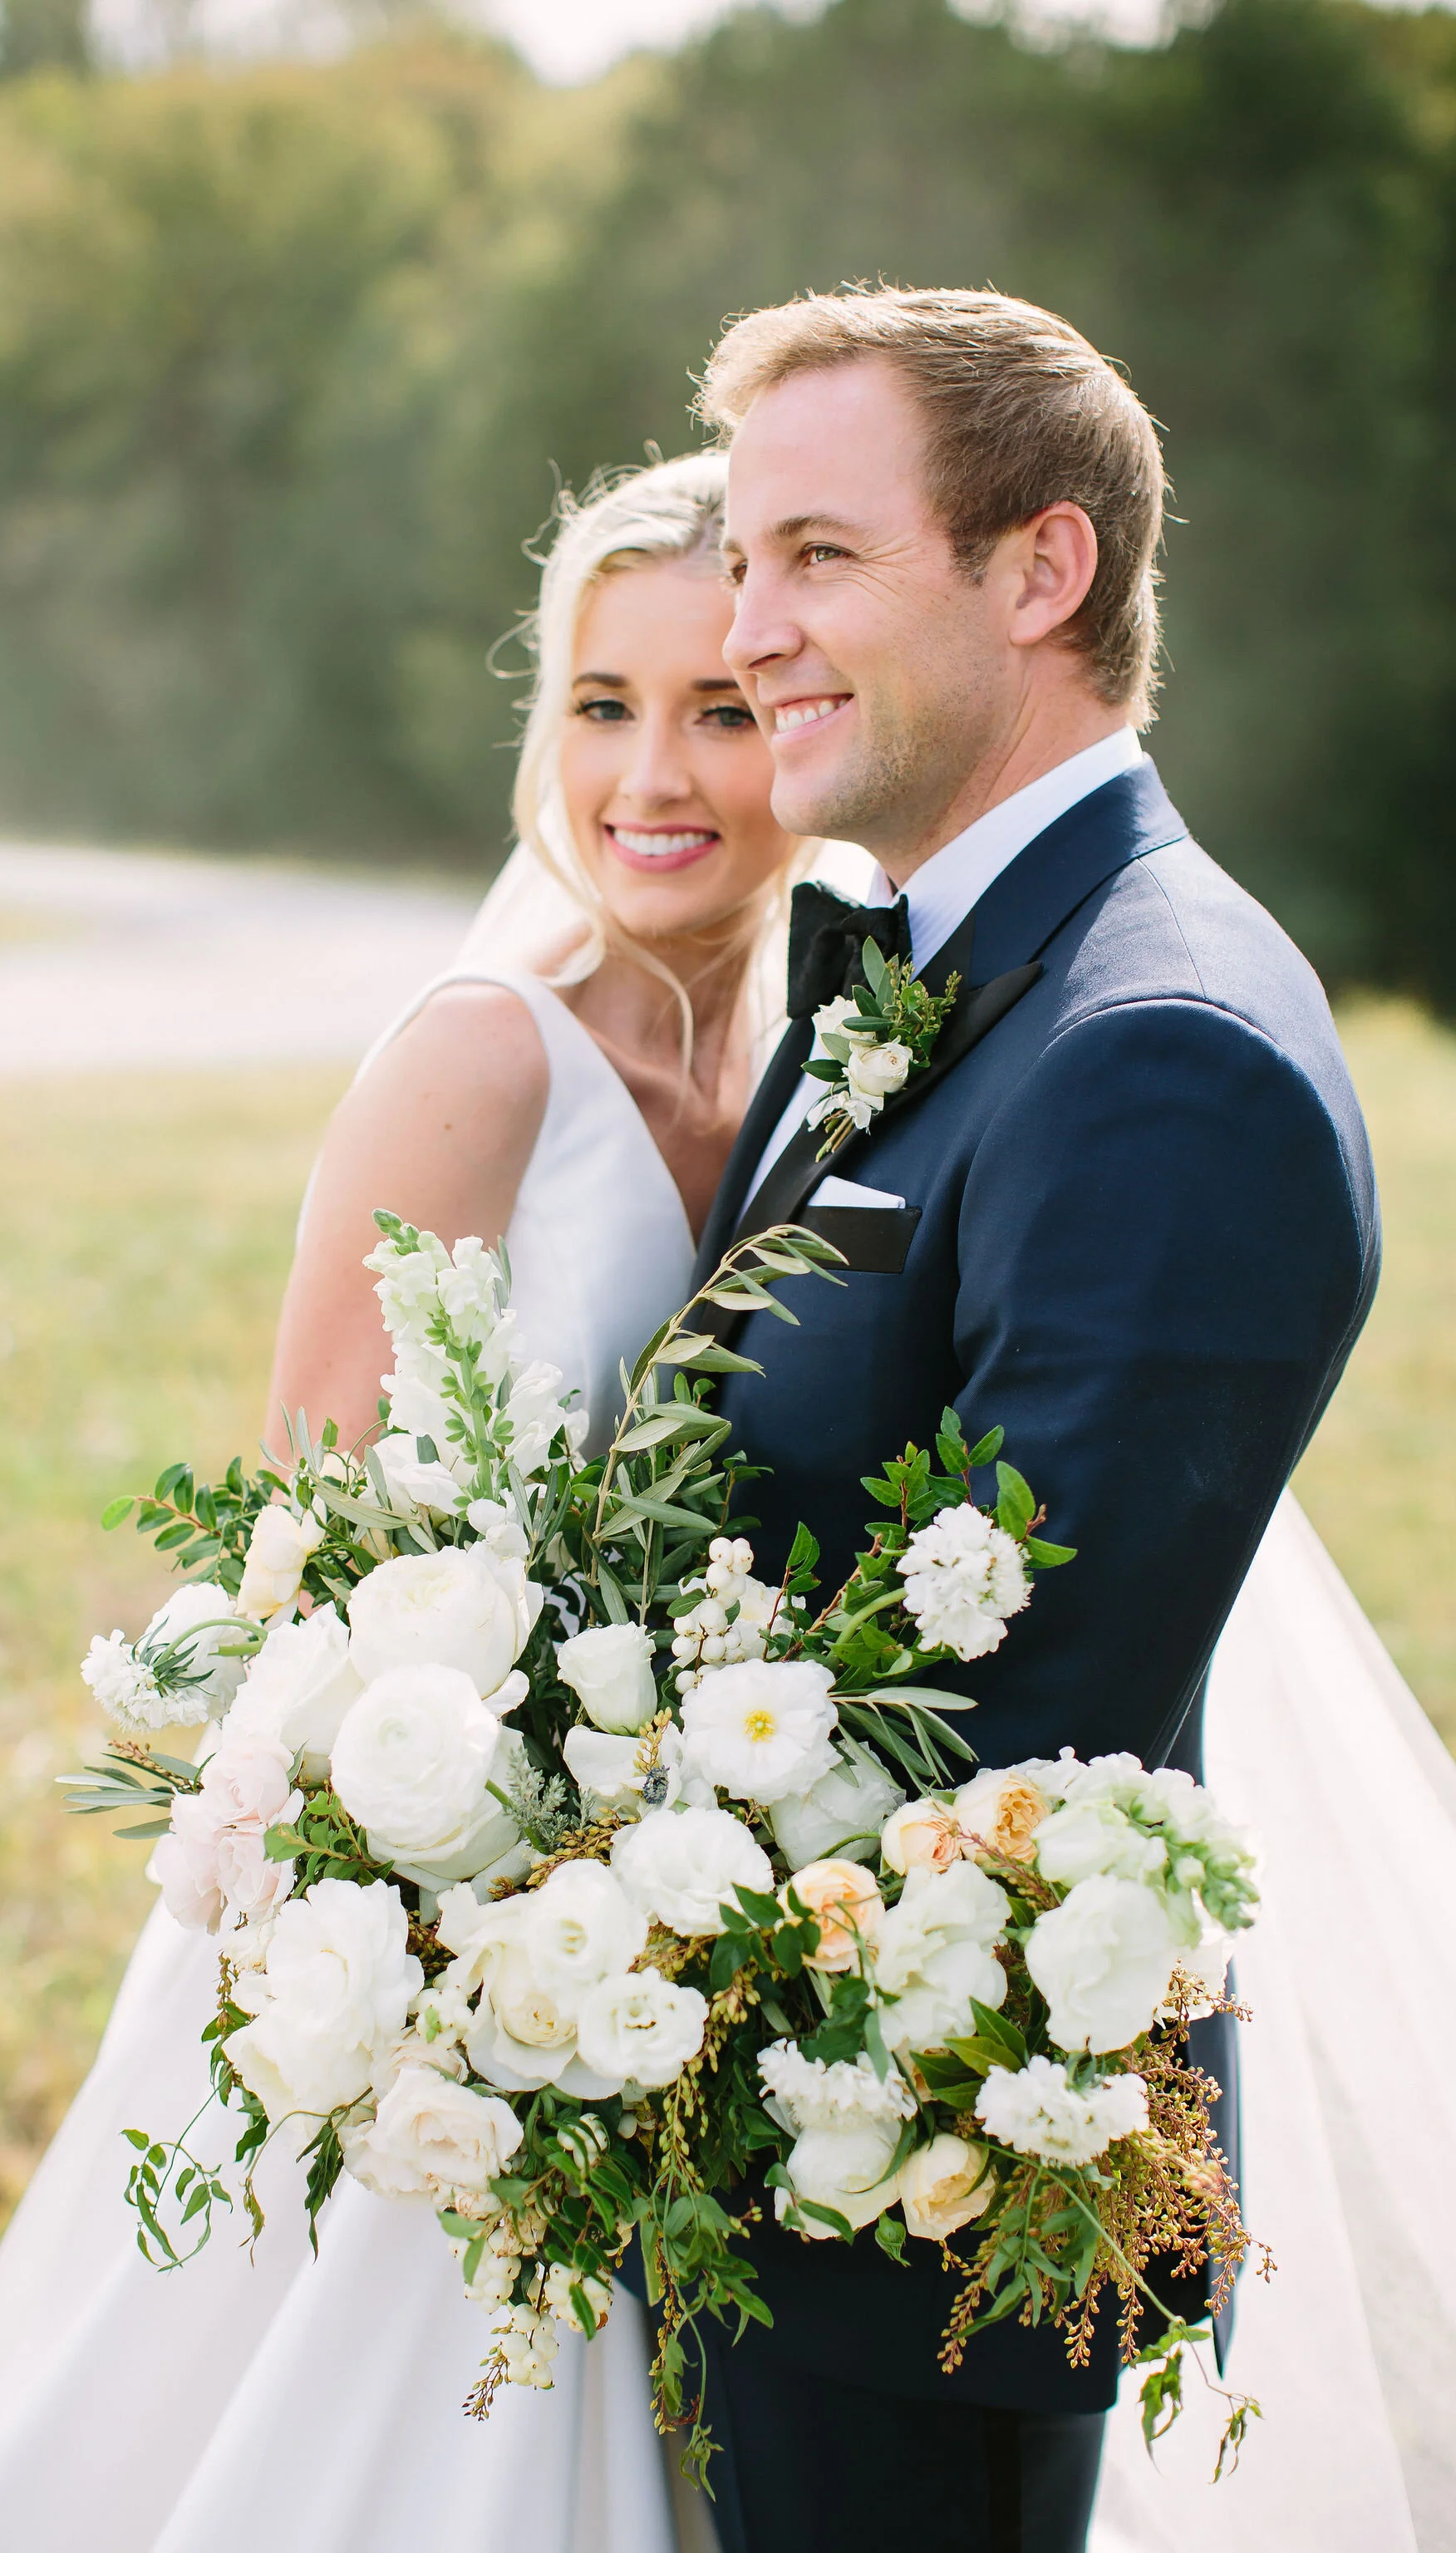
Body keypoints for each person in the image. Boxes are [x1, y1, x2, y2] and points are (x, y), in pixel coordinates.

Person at [0, 453, 794, 2553]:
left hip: (662, 1916)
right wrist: (459, 1882)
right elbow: (312, 1551)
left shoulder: (812, 1070)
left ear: (813, 711)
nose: (653, 771)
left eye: (721, 704)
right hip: (410, 1908)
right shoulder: (484, 1057)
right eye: (600, 702)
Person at [680, 285, 1383, 2553]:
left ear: (1040, 571)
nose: (746, 627)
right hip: (735, 2147)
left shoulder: (1164, 1050)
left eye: (817, 556)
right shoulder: (939, 960)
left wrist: (535, 1873)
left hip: (920, 2212)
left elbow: (1003, 1727)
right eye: (738, 554)